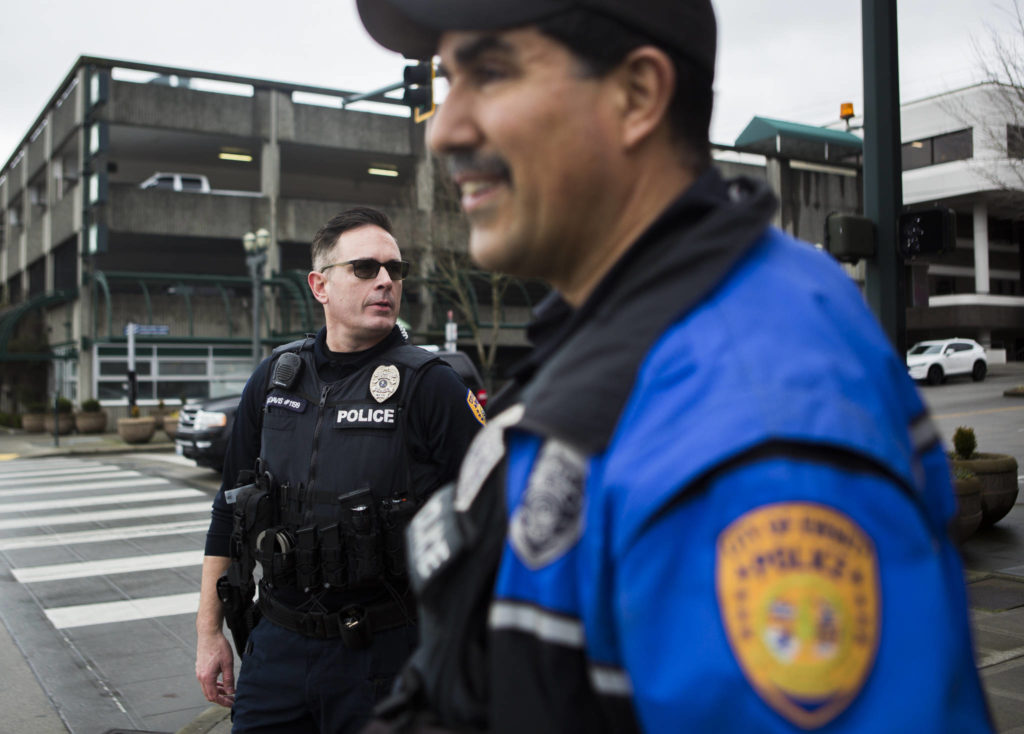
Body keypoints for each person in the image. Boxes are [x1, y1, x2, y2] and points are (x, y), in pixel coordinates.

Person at [355, 2, 995, 733]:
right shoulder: (639, 330)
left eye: (490, 73)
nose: (444, 127)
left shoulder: (750, 427)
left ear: (637, 96)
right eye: (446, 78)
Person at [194, 206, 485, 733]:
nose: (385, 282)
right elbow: (228, 514)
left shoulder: (431, 384)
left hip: (384, 656)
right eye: (365, 268)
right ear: (319, 285)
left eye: (395, 270)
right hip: (276, 651)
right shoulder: (276, 379)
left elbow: (492, 527)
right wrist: (209, 634)